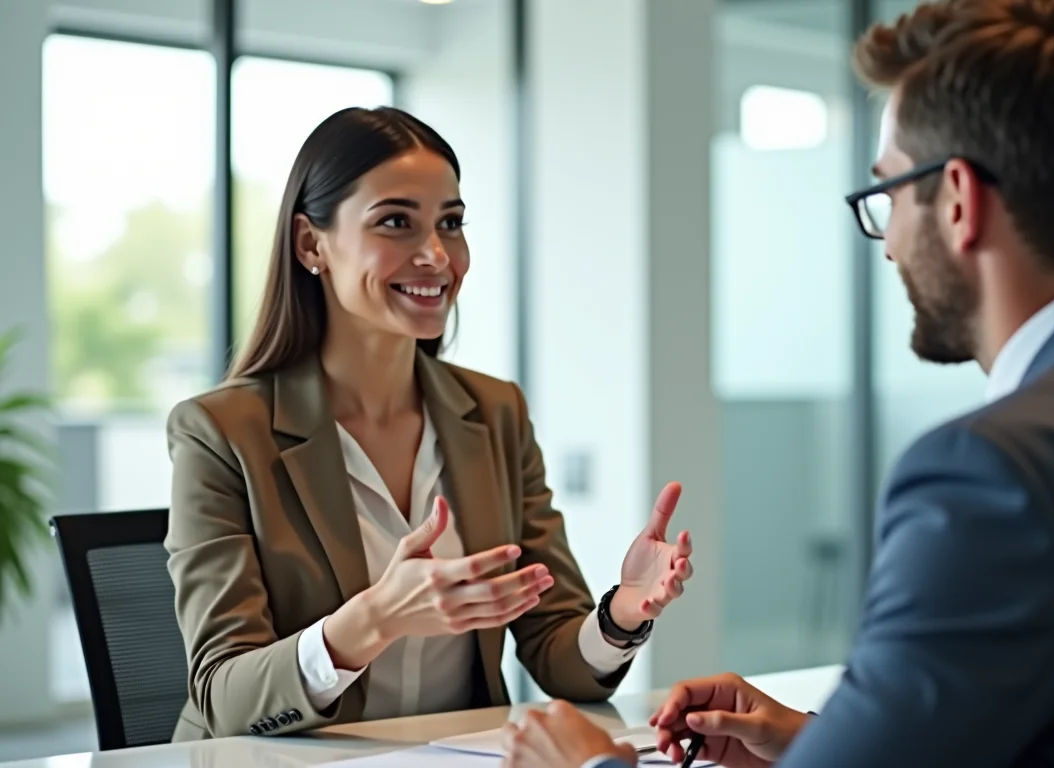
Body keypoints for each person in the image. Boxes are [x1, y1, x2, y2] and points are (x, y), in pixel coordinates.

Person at [500, 0, 1054, 766]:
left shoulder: (996, 474)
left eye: (889, 197)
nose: (889, 247)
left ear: (959, 203)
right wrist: (818, 742)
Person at [164, 106, 695, 741]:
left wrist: (620, 616)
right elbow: (225, 695)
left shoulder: (495, 413)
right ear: (312, 244)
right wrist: (374, 619)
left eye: (451, 223)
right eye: (395, 222)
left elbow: (557, 654)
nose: (437, 255)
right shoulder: (220, 432)